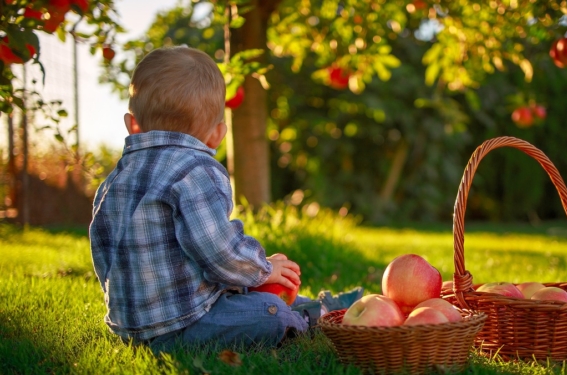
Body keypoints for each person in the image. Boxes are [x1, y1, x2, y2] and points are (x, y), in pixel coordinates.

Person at [88, 46, 362, 351]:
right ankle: (318, 316)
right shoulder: (195, 170)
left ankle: (316, 304)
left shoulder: (113, 182)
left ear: (133, 125)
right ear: (217, 135)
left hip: (128, 329)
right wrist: (264, 269)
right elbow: (219, 252)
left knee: (247, 292)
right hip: (186, 324)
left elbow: (102, 254)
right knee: (268, 314)